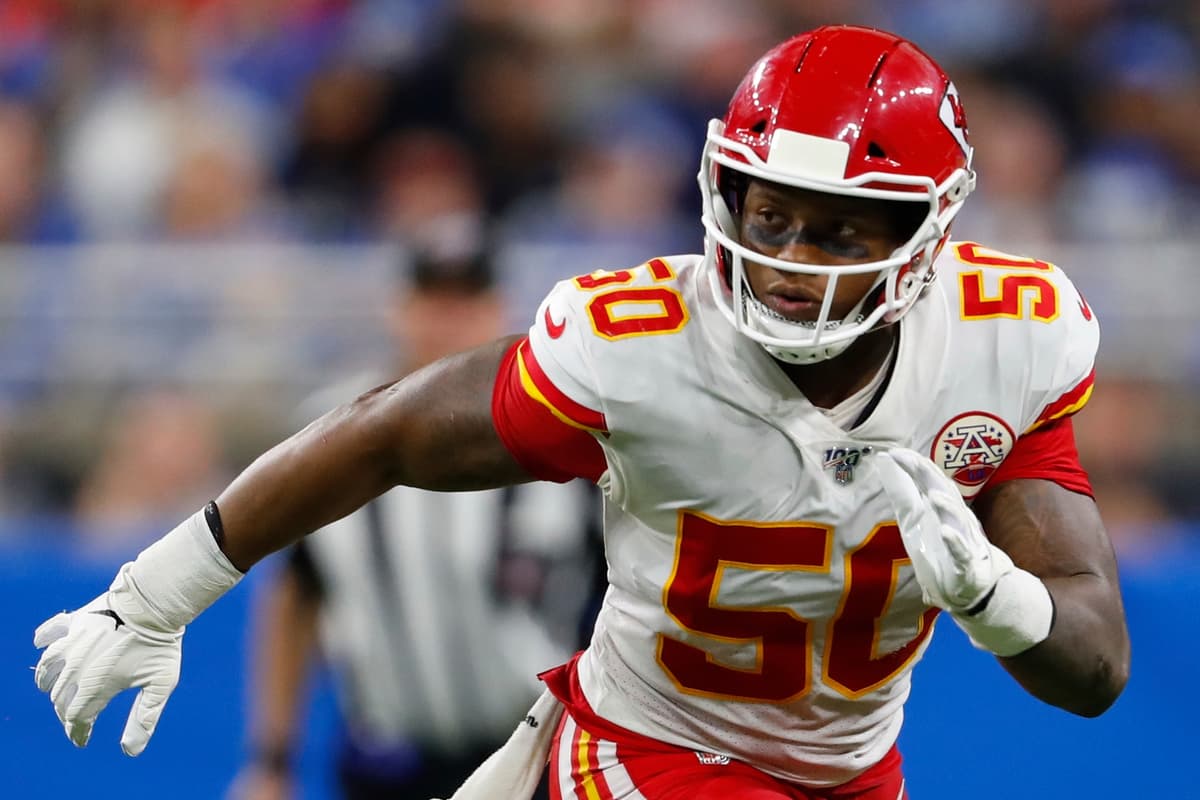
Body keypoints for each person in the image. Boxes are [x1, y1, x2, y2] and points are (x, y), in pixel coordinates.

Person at [33, 25, 1130, 800]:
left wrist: (995, 598)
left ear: (924, 235)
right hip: (646, 744)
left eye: (843, 230)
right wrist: (158, 591)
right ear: (724, 191)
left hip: (849, 768)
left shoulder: (1002, 341)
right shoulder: (641, 346)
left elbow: (1095, 669)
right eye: (772, 214)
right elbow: (386, 430)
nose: (793, 261)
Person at [227, 245, 601, 800]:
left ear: (498, 308)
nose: (449, 320)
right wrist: (272, 757)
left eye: (467, 300)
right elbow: (296, 591)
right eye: (434, 300)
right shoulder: (330, 433)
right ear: (399, 308)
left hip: (532, 750)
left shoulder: (564, 427)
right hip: (390, 756)